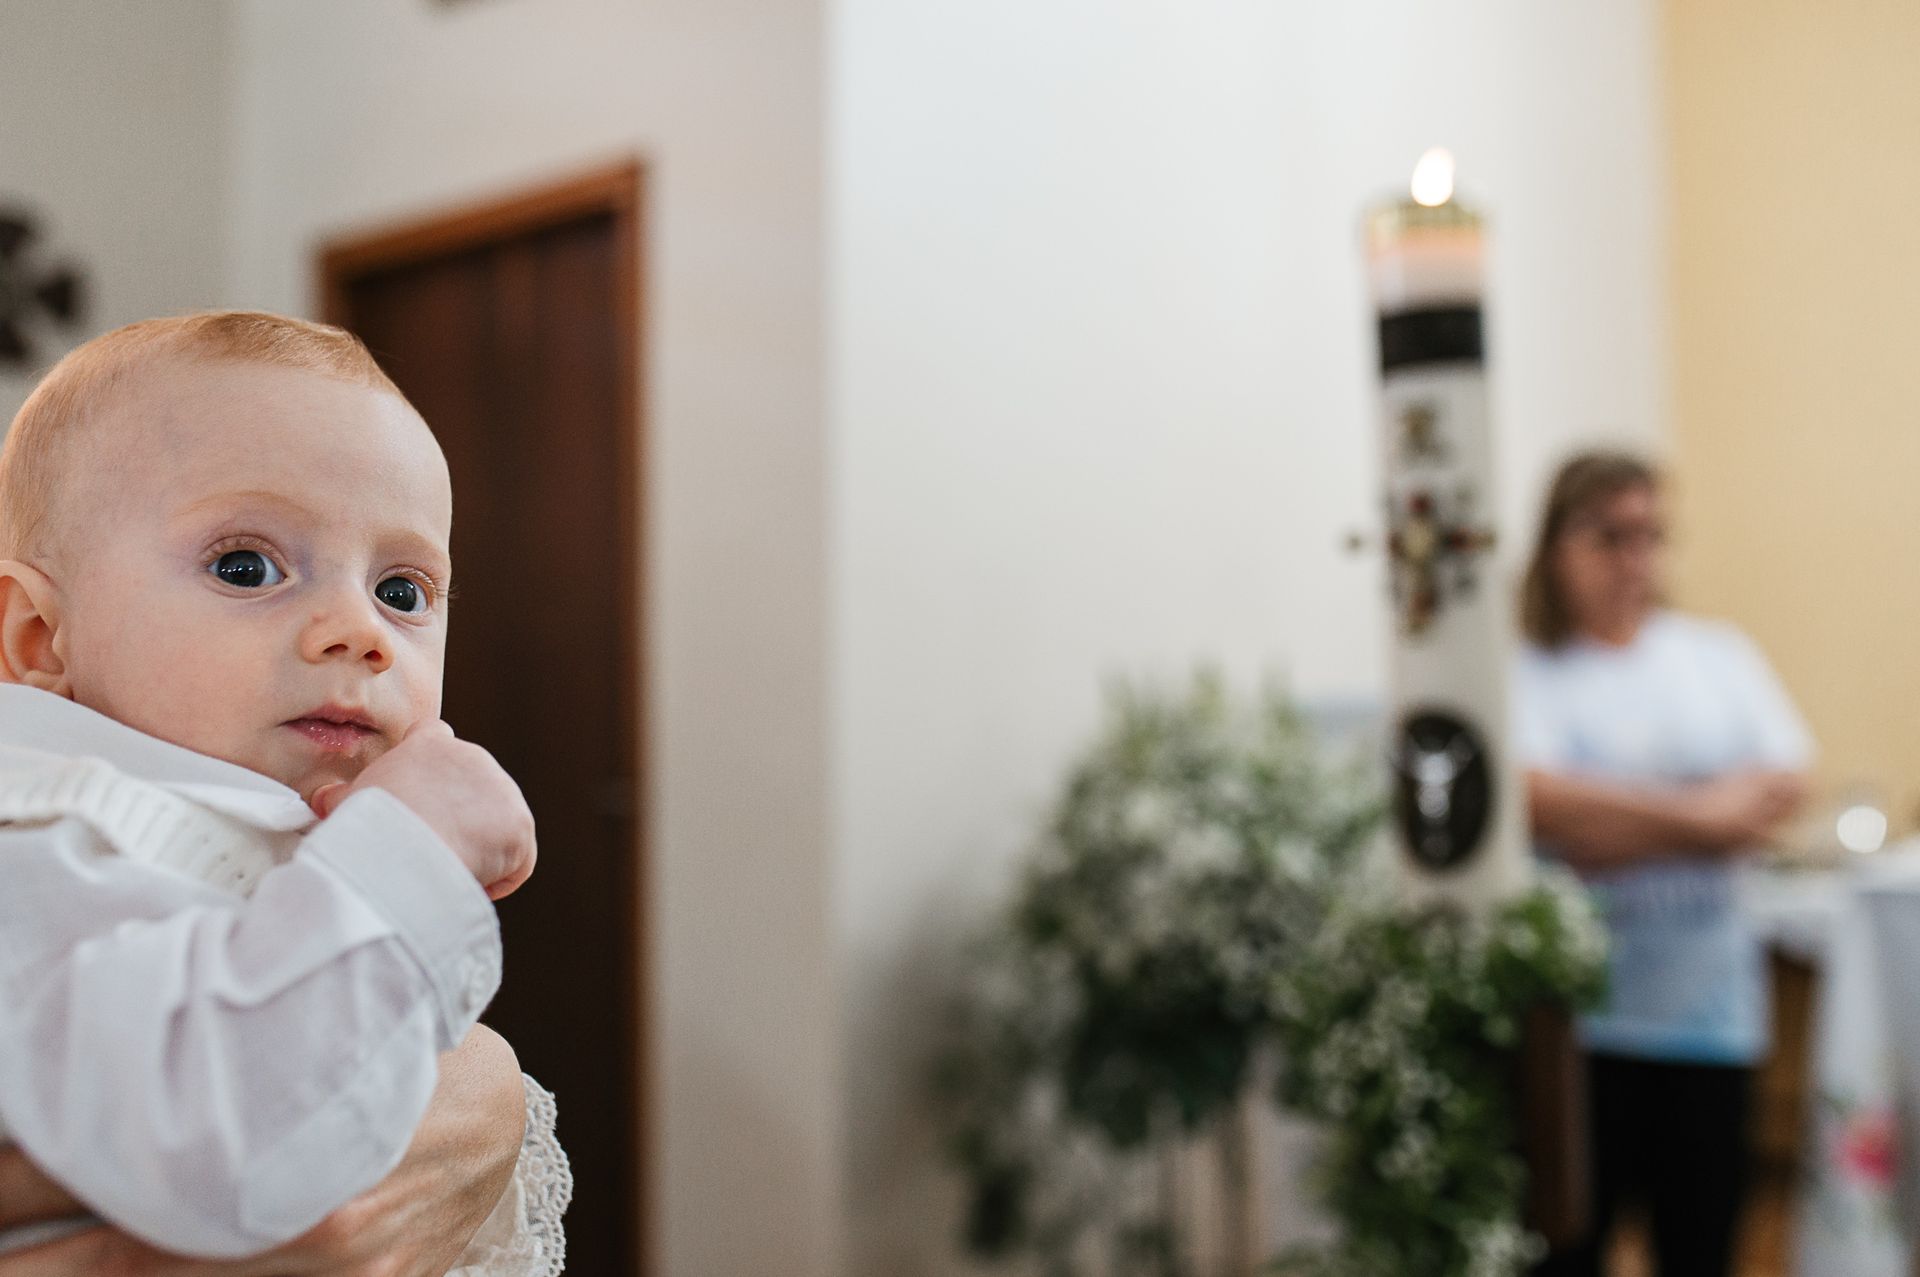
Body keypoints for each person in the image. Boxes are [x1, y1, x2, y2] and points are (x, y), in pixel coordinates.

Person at [0, 313, 570, 1273]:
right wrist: (411, 861)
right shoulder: (48, 840)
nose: (360, 630)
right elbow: (228, 1152)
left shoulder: (256, 826)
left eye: (402, 590)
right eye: (246, 567)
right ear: (39, 640)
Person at [1518, 450, 1811, 1277]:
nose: (1634, 559)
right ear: (1556, 547)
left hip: (1711, 1019)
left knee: (1700, 1243)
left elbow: (1787, 782)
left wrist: (1612, 822)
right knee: (1569, 1246)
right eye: (1609, 536)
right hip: (1584, 1026)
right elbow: (1535, 801)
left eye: (1650, 535)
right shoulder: (1529, 672)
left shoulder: (1715, 658)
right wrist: (1706, 819)